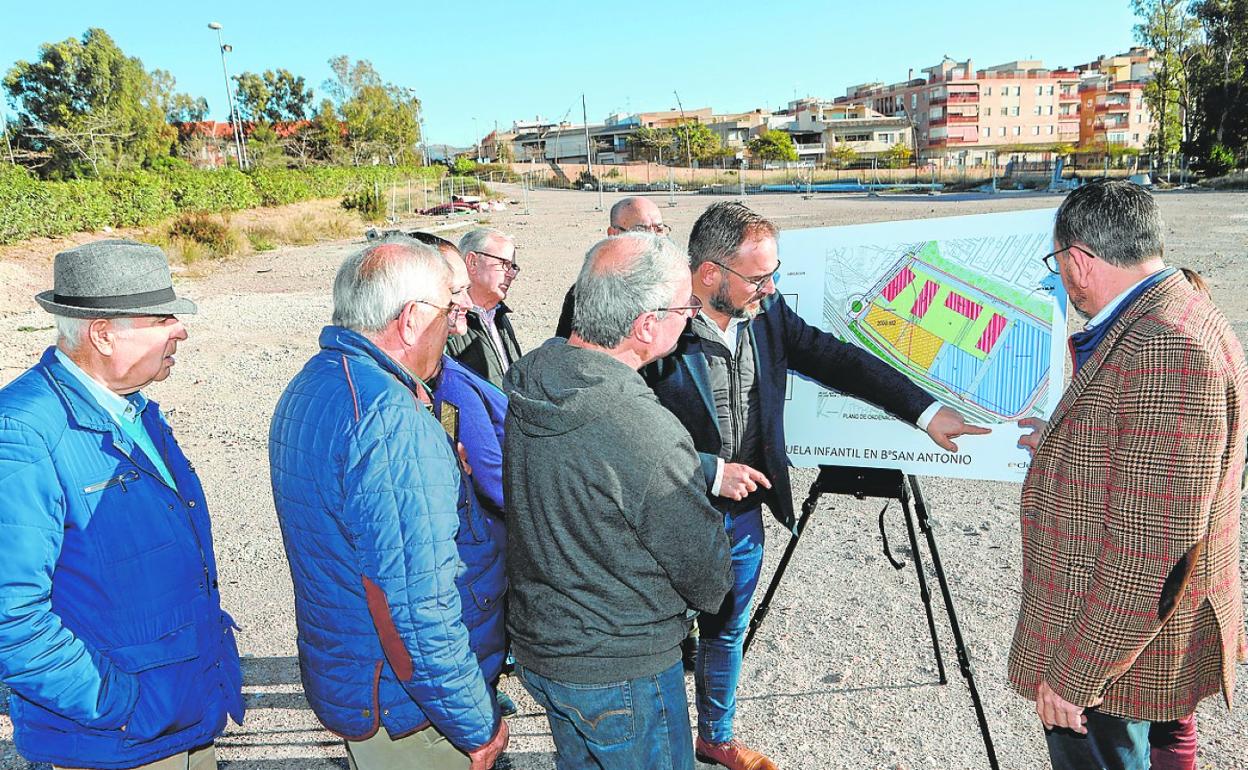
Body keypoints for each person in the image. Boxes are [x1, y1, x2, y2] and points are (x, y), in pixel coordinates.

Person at [644, 201, 989, 770]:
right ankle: (661, 747)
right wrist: (706, 469)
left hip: (743, 515)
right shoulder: (656, 324)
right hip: (666, 511)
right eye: (758, 277)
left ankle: (716, 736)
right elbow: (627, 425)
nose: (771, 287)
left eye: (773, 272)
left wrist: (926, 413)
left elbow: (841, 361)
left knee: (727, 631)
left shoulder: (770, 315)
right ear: (709, 274)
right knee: (657, 634)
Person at [1010, 181, 1247, 770]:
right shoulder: (1179, 306)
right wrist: (1064, 443)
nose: (1061, 278)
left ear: (1079, 261)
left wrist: (1076, 673)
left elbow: (1151, 545)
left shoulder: (1164, 345)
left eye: (1058, 263)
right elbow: (1153, 461)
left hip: (1115, 645)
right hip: (1148, 631)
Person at [0, 239, 244, 770]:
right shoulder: (22, 432)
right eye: (161, 318)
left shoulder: (133, 410)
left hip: (175, 720)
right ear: (103, 334)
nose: (180, 329)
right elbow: (9, 618)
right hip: (115, 742)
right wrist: (120, 705)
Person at [269, 238, 509, 769]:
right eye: (448, 310)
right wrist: (475, 723)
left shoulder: (315, 381)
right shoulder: (390, 417)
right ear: (409, 320)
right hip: (411, 712)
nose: (454, 325)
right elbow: (417, 604)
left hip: (360, 677)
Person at [503, 232, 733, 770]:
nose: (693, 315)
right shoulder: (646, 429)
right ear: (647, 325)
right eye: (686, 306)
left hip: (546, 647)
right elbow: (708, 574)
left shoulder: (536, 372)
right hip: (621, 668)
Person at [554, 196, 670, 338]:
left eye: (659, 229)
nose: (653, 238)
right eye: (641, 229)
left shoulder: (675, 284)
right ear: (613, 234)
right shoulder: (590, 292)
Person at [445, 228, 521, 387]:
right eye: (504, 264)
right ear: (473, 262)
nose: (511, 274)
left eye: (513, 267)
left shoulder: (498, 314)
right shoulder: (450, 324)